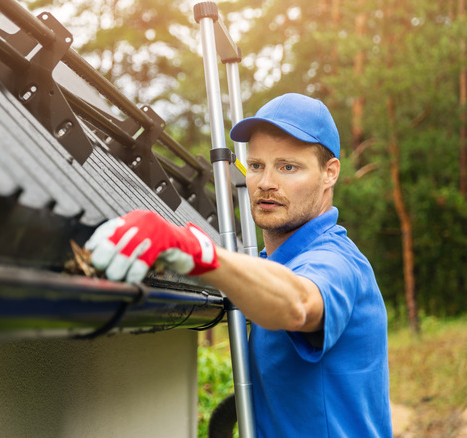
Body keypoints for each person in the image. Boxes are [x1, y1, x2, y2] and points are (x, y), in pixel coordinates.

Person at [85, 93, 392, 437]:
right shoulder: (268, 265)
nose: (265, 183)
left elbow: (299, 304)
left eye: (288, 167)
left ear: (329, 173)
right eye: (257, 165)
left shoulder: (336, 261)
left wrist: (197, 251)